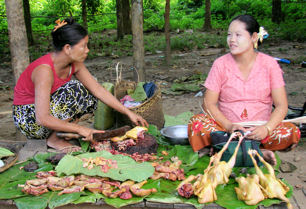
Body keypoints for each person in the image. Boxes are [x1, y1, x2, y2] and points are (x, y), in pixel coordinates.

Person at [12, 18, 148, 153]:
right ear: (67, 48)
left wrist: (128, 112)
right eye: (83, 46)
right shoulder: (44, 70)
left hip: (46, 115)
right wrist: (81, 129)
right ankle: (54, 139)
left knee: (90, 94)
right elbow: (42, 118)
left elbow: (98, 90)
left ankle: (57, 135)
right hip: (29, 119)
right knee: (75, 89)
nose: (87, 50)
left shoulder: (75, 64)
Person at [188, 14, 300, 165]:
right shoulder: (220, 64)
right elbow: (209, 104)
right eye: (229, 35)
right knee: (197, 124)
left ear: (254, 37)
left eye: (238, 35)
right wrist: (229, 126)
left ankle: (228, 149)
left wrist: (266, 129)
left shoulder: (270, 65)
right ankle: (257, 151)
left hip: (259, 130)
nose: (231, 40)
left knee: (291, 131)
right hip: (227, 128)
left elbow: (281, 106)